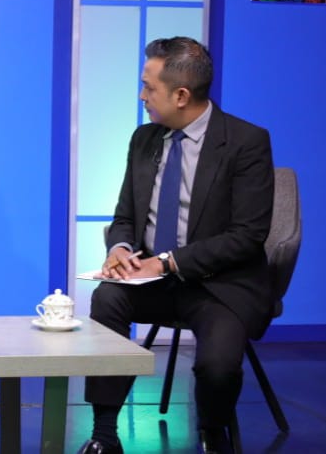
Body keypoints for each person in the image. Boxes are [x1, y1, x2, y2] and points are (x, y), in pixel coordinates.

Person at [78, 37, 274, 454]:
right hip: (152, 283)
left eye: (148, 87)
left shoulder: (246, 142)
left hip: (219, 285)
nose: (142, 96)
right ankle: (104, 434)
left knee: (218, 365)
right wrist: (120, 248)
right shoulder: (144, 139)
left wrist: (167, 262)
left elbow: (247, 236)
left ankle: (213, 434)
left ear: (181, 95)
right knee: (106, 299)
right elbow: (125, 216)